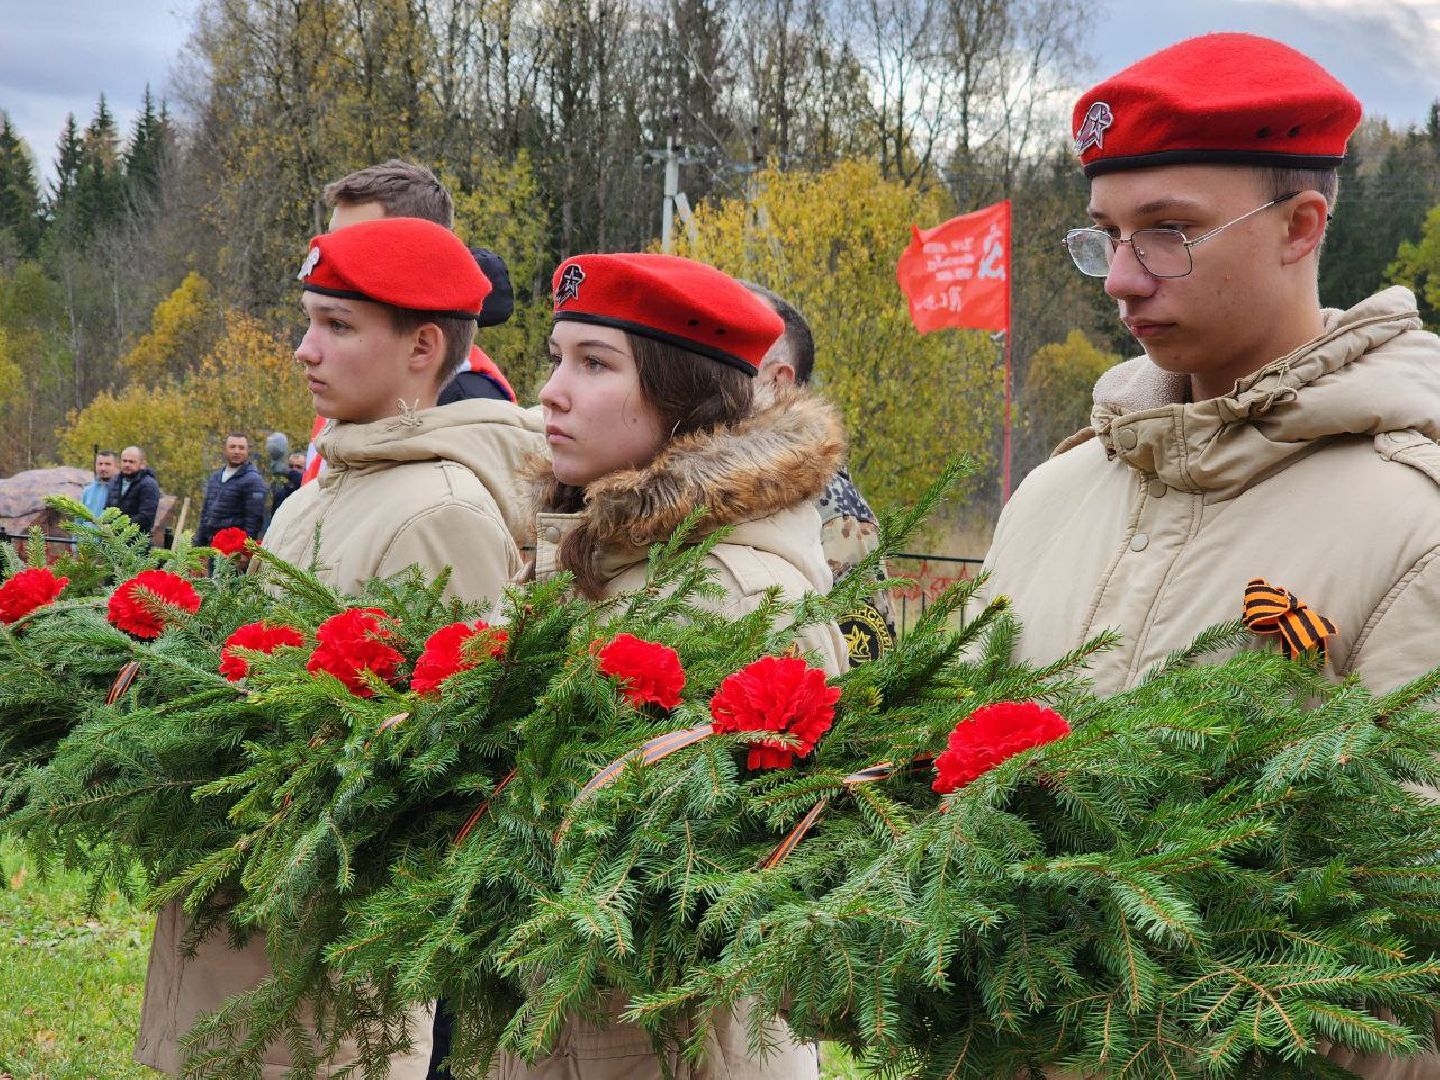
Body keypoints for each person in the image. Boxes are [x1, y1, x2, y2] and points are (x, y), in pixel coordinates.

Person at [980, 37, 1440, 1074]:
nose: (1123, 281)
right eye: (1105, 238)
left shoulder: (1413, 525)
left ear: (1301, 226)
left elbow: (1410, 961)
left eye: (1169, 234)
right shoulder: (1050, 499)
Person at [133, 217, 545, 1080]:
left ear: (424, 346)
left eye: (338, 326)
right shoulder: (318, 496)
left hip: (319, 987)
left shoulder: (441, 511)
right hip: (244, 939)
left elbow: (441, 776)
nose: (302, 349)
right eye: (310, 320)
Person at [491, 252, 845, 1080]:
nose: (552, 390)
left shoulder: (740, 591)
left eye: (595, 363)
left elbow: (771, 861)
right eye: (556, 358)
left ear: (684, 395)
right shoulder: (590, 555)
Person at [300, 160, 520, 486]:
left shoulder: (462, 395)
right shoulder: (362, 383)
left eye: (360, 242)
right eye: (332, 238)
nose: (335, 254)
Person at [746, 282, 896, 663]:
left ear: (777, 381)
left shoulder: (834, 514)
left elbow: (863, 684)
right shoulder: (713, 487)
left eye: (735, 350)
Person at [194, 433, 268, 547]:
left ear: (247, 451)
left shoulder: (253, 481)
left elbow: (254, 521)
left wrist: (245, 551)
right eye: (232, 447)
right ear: (225, 450)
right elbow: (206, 513)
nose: (237, 451)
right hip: (211, 545)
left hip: (232, 550)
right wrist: (198, 544)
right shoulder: (215, 477)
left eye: (241, 448)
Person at [106, 446, 161, 537]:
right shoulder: (114, 481)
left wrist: (118, 526)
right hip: (111, 540)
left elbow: (146, 517)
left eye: (131, 462)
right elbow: (107, 509)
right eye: (124, 461)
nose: (127, 464)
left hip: (136, 542)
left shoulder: (149, 485)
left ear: (142, 464)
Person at [80, 450, 117, 518]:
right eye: (100, 464)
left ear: (116, 466)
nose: (103, 468)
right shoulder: (87, 491)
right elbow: (79, 519)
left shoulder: (121, 491)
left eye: (107, 464)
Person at [270, 450, 305, 517]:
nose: (294, 470)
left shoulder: (309, 494)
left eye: (298, 467)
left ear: (305, 469)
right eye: (291, 466)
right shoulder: (280, 494)